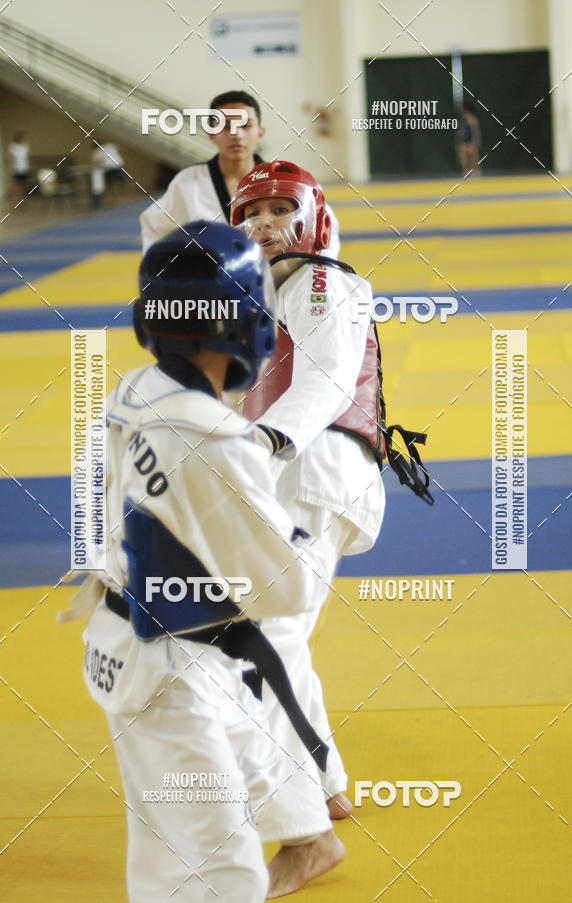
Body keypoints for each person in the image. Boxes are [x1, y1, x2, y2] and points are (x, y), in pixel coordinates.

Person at [60, 221, 343, 902]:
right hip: (167, 670)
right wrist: (299, 533)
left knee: (252, 752)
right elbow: (288, 585)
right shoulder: (212, 438)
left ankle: (313, 836)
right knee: (213, 868)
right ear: (246, 323)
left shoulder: (133, 389)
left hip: (152, 636)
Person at [231, 161, 387, 890]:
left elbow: (325, 378)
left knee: (257, 646)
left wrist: (267, 443)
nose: (262, 224)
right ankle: (323, 782)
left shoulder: (323, 281)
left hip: (312, 468)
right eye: (248, 214)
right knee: (276, 639)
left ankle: (305, 835)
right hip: (297, 475)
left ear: (315, 215)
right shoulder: (274, 298)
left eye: (279, 209)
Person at [139, 90, 340, 256]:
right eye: (225, 127)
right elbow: (155, 231)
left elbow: (324, 230)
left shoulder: (287, 180)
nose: (236, 134)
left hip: (277, 290)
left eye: (245, 126)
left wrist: (311, 278)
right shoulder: (188, 183)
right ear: (211, 134)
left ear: (260, 133)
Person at [457, 101, 482, 176]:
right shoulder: (463, 119)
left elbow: (475, 131)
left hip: (471, 141)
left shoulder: (472, 118)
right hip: (463, 142)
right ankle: (466, 172)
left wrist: (476, 141)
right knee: (464, 158)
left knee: (473, 159)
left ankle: (477, 172)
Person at [8, 131, 30, 205]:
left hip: (24, 169)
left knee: (24, 185)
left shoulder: (25, 147)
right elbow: (11, 158)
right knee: (16, 186)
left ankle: (24, 201)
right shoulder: (13, 147)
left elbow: (26, 158)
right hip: (16, 169)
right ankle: (16, 201)